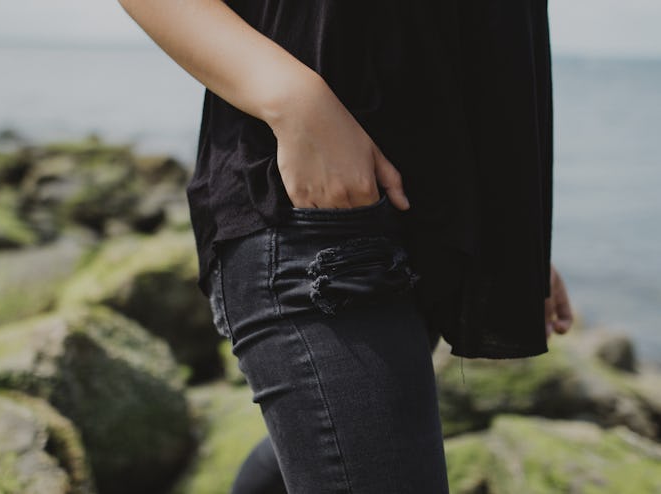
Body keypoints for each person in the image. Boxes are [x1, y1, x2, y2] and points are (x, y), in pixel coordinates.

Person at [117, 1, 574, 492]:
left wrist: (513, 233)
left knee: (322, 444)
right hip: (308, 207)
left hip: (434, 222)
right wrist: (293, 100)